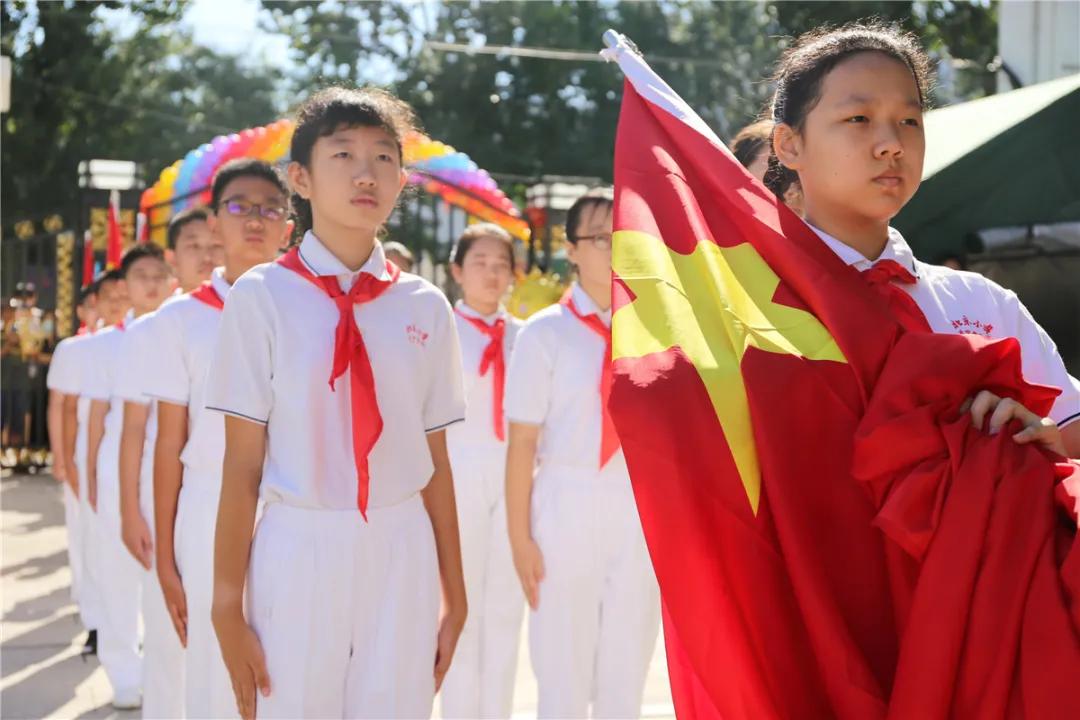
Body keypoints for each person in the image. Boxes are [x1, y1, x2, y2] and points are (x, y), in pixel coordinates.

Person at [205, 86, 467, 719]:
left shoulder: (424, 306)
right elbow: (241, 466)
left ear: (402, 178)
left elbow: (435, 462)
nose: (364, 172)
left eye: (383, 157)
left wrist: (456, 595)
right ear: (301, 177)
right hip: (299, 545)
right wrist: (224, 606)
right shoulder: (262, 298)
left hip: (401, 546)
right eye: (343, 153)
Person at [765, 22, 1080, 456]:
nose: (892, 144)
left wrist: (1043, 439)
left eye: (909, 121)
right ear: (789, 144)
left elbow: (1070, 432)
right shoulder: (753, 306)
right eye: (859, 118)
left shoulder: (983, 304)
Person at [504, 188, 661, 718]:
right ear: (571, 249)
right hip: (564, 502)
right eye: (599, 237)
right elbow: (522, 444)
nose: (613, 247)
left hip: (635, 506)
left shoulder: (655, 331)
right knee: (561, 671)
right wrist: (520, 537)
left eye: (622, 234)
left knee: (625, 670)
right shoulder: (543, 334)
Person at [146, 159, 291, 720]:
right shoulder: (179, 320)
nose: (255, 220)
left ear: (288, 225)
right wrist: (165, 556)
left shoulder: (313, 307)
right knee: (213, 668)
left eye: (270, 209)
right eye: (239, 206)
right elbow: (168, 444)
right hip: (207, 502)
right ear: (213, 222)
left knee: (287, 661)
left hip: (290, 499)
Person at [113, 208, 221, 718]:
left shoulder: (250, 309)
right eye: (193, 245)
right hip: (167, 494)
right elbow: (136, 430)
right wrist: (132, 512)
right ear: (174, 258)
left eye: (212, 242)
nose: (206, 253)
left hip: (225, 494)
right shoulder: (159, 328)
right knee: (168, 632)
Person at [440, 223, 524, 718]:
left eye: (501, 265)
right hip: (458, 472)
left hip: (513, 474)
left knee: (506, 608)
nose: (492, 275)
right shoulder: (441, 332)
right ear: (457, 271)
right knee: (460, 603)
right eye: (480, 263)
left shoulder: (528, 335)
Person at [85, 245, 171, 710]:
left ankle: (158, 672)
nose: (153, 284)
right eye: (142, 276)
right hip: (122, 467)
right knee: (119, 574)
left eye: (161, 274)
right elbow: (99, 417)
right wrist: (100, 484)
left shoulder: (182, 329)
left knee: (164, 580)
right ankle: (122, 671)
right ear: (125, 286)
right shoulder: (107, 344)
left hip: (171, 469)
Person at [46, 284, 100, 653]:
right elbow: (60, 407)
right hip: (81, 454)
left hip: (115, 460)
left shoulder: (129, 341)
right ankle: (92, 613)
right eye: (95, 303)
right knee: (84, 536)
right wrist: (62, 459)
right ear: (81, 310)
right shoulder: (73, 349)